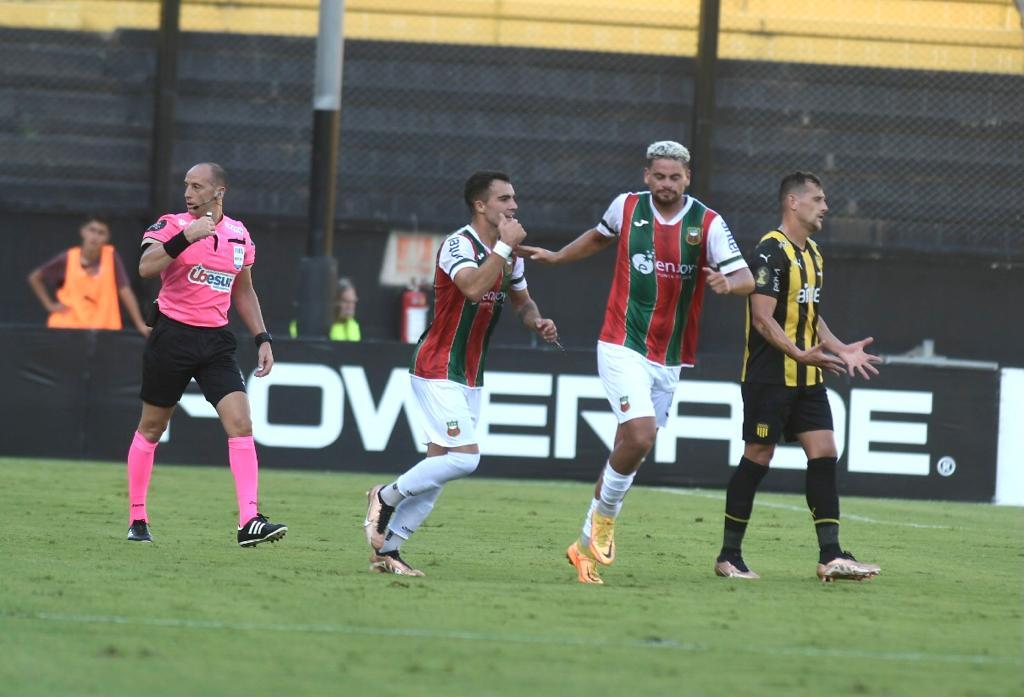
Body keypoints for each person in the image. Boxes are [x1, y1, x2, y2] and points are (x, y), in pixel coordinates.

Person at [519, 141, 754, 584]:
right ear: (647, 175)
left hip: (670, 357)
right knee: (641, 436)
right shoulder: (626, 207)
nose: (667, 184)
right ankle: (606, 519)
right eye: (659, 176)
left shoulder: (708, 223)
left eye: (675, 177)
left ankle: (584, 544)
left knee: (630, 445)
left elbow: (744, 275)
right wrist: (557, 256)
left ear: (688, 178)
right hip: (621, 342)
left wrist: (729, 281)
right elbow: (597, 237)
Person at [362, 170, 559, 576]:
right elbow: (471, 287)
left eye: (514, 198)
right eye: (504, 199)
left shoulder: (508, 256)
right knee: (465, 459)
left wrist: (537, 321)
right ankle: (384, 495)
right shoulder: (458, 245)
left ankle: (389, 552)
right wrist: (505, 247)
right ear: (480, 205)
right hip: (436, 367)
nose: (514, 206)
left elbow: (522, 302)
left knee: (437, 471)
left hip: (470, 374)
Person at [714, 171, 881, 582]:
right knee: (759, 456)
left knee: (824, 451)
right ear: (793, 202)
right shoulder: (770, 252)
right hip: (770, 376)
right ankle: (728, 556)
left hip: (808, 376)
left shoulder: (814, 254)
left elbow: (810, 315)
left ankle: (831, 555)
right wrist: (798, 353)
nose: (825, 206)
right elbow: (761, 318)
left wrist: (839, 348)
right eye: (818, 199)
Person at [124, 162, 287, 547]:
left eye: (197, 186)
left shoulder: (239, 235)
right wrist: (186, 237)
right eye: (186, 186)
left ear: (219, 192)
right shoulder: (170, 224)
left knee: (241, 422)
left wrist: (262, 337)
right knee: (152, 427)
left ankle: (249, 520)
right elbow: (146, 267)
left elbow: (243, 291)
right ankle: (137, 516)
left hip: (216, 342)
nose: (188, 193)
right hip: (172, 337)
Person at [27, 215, 150, 336]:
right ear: (83, 231)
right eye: (92, 230)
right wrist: (50, 305)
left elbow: (125, 290)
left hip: (103, 331)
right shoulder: (68, 258)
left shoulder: (111, 257)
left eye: (101, 233)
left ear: (107, 237)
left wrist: (139, 323)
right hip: (68, 329)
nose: (95, 237)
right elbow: (35, 277)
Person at [288, 277, 361, 341]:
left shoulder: (354, 326)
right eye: (345, 301)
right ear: (334, 301)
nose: (350, 306)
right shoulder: (304, 325)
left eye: (353, 301)